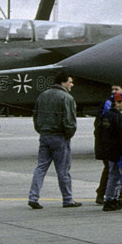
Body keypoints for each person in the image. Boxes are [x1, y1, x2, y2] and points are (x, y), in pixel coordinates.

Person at [28, 73, 81, 209]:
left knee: (41, 167)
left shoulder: (43, 95)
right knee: (63, 170)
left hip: (44, 136)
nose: (72, 84)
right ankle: (68, 199)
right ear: (63, 83)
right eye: (70, 82)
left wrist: (41, 130)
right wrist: (68, 135)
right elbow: (69, 121)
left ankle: (33, 197)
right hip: (59, 137)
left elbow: (35, 116)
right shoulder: (67, 98)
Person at [93, 94, 122, 210]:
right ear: (117, 103)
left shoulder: (106, 116)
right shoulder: (118, 118)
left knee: (113, 176)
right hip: (117, 151)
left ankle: (112, 199)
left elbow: (99, 133)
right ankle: (110, 200)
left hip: (109, 150)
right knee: (115, 177)